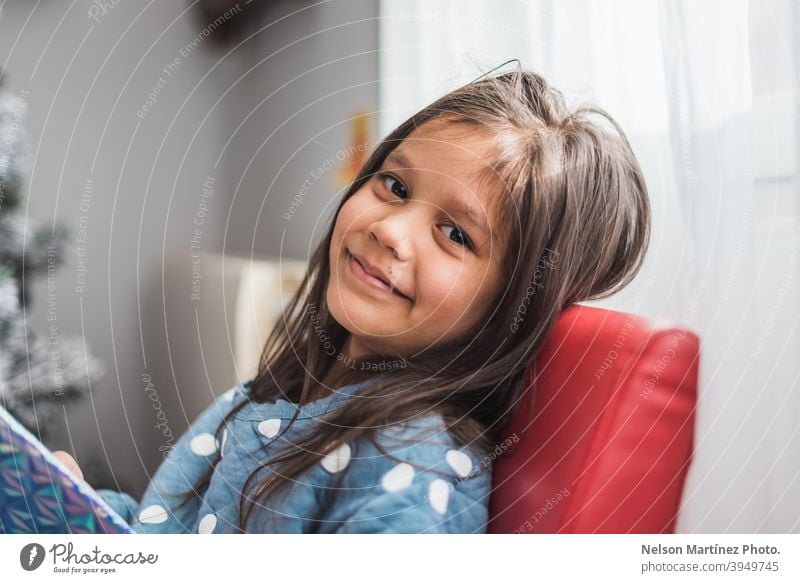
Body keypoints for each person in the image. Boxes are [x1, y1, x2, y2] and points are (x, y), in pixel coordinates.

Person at [56, 67, 650, 533]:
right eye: (394, 186)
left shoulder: (408, 471)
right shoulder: (284, 391)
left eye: (457, 234)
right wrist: (73, 508)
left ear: (515, 306)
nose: (390, 230)